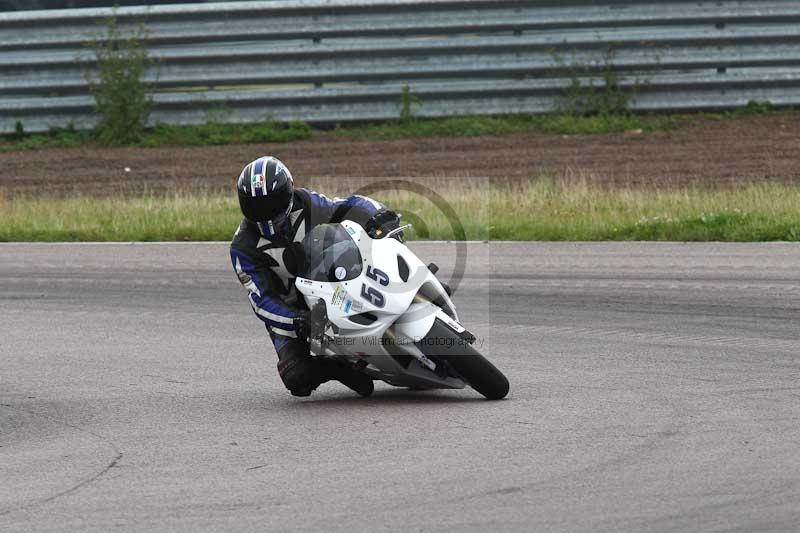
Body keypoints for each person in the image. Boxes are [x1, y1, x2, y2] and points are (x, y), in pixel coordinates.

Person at [229, 156, 403, 397]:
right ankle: (339, 368)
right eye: (255, 207)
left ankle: (419, 287)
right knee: (296, 377)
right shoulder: (242, 248)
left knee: (384, 241)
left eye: (272, 203)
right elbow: (262, 301)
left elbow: (346, 206)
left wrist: (379, 214)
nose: (265, 212)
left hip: (331, 282)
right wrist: (295, 320)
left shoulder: (306, 203)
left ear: (288, 193)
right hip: (292, 310)